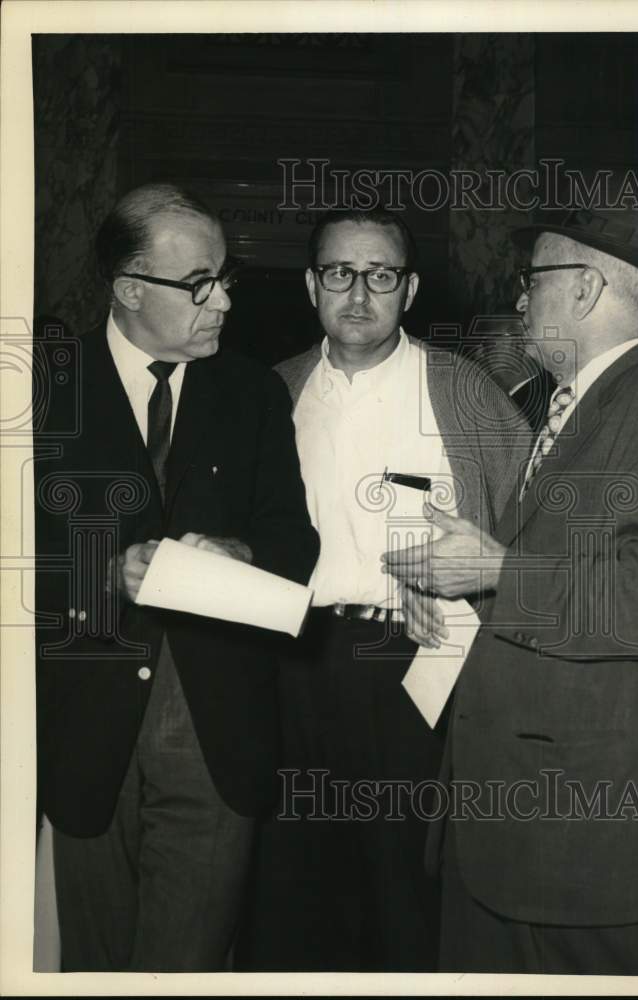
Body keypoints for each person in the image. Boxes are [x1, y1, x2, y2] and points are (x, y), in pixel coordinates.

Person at [383, 202, 638, 975]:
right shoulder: (574, 411)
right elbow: (560, 582)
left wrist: (498, 571)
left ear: (583, 289)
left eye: (530, 280)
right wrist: (455, 588)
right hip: (524, 833)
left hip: (586, 846)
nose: (518, 300)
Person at [33, 183, 318, 972]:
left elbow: (293, 543)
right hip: (85, 729)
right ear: (129, 289)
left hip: (216, 728)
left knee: (187, 970)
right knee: (93, 967)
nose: (223, 300)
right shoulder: (38, 389)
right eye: (199, 284)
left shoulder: (253, 392)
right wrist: (105, 574)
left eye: (224, 278)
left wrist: (240, 556)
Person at [238, 206, 527, 972]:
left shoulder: (465, 392)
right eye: (339, 272)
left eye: (382, 275)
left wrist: (478, 592)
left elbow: (529, 534)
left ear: (412, 287)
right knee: (294, 888)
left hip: (415, 668)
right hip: (293, 662)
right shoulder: (271, 392)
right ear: (310, 285)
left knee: (407, 892)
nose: (359, 293)